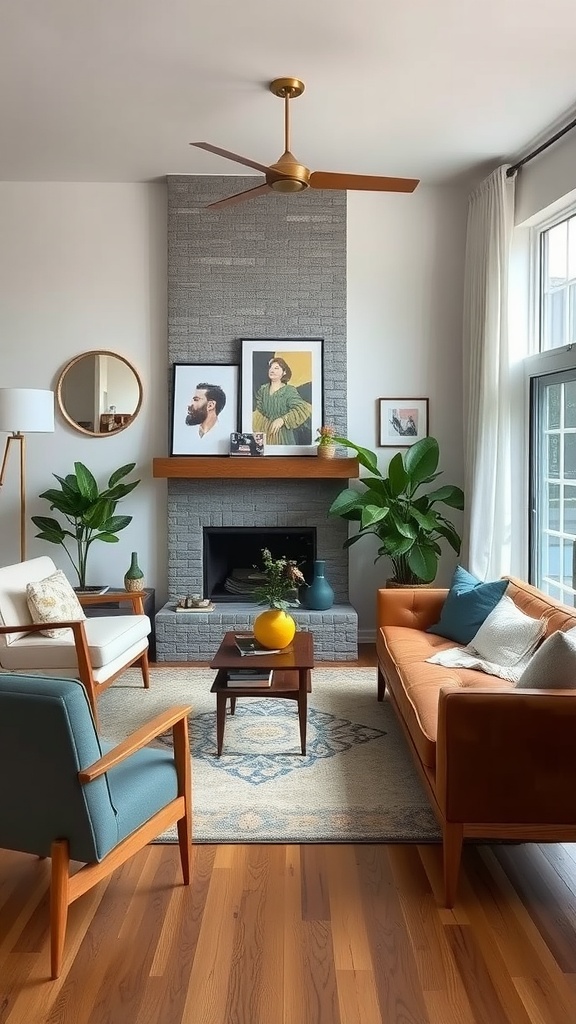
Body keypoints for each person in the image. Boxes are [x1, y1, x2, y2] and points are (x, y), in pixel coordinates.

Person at [252, 357, 312, 445]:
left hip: (283, 437)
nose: (272, 370)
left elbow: (300, 408)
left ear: (284, 372)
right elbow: (259, 412)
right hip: (264, 435)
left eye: (276, 368)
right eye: (271, 368)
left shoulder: (289, 390)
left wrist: (282, 420)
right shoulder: (263, 389)